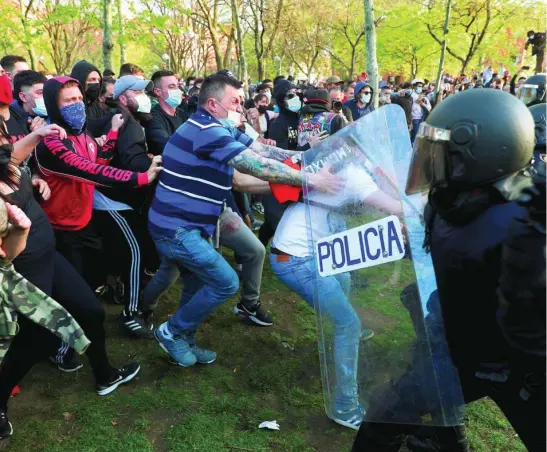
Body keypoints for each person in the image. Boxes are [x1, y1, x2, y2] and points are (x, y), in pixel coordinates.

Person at [353, 89, 541, 452]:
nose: (429, 158)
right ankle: (447, 441)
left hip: (521, 366)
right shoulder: (448, 201)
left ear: (476, 152)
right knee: (383, 418)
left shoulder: (528, 221)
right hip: (454, 348)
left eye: (440, 151)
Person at [148, 72, 341, 368]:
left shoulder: (216, 126)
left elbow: (264, 150)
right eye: (235, 102)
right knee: (225, 282)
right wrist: (309, 179)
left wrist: (307, 158)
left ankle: (184, 338)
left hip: (194, 223)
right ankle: (171, 331)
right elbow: (256, 166)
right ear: (213, 104)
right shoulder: (207, 131)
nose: (240, 107)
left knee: (196, 284)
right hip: (176, 228)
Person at [0, 115, 141, 435]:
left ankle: (104, 374)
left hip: (49, 253)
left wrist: (36, 145)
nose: (4, 141)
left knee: (90, 310)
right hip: (21, 267)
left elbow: (10, 156)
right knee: (39, 338)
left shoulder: (4, 156)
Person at [91, 75, 161, 338]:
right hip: (111, 198)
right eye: (140, 91)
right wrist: (152, 163)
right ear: (123, 97)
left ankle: (118, 287)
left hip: (117, 196)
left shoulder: (124, 119)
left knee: (132, 247)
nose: (146, 96)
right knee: (135, 250)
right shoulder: (127, 123)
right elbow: (133, 163)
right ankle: (131, 314)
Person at [145, 70, 188, 156]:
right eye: (171, 87)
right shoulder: (152, 118)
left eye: (177, 86)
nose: (177, 90)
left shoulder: (182, 114)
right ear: (158, 91)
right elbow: (167, 144)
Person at [70, 60, 113, 137]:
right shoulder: (73, 105)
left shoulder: (93, 103)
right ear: (80, 81)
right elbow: (87, 127)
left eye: (98, 80)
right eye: (92, 79)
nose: (97, 83)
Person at [410, 79, 431, 143]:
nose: (420, 88)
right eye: (419, 86)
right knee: (415, 136)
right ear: (414, 86)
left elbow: (429, 107)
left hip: (422, 118)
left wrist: (423, 104)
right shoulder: (411, 95)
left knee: (419, 136)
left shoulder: (423, 96)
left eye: (421, 86)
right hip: (414, 118)